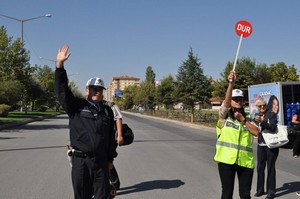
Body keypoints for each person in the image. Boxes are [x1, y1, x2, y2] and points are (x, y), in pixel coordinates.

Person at [55, 44, 117, 199]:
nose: (97, 91)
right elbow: (62, 91)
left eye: (100, 89)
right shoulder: (76, 106)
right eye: (93, 88)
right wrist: (60, 66)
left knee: (102, 196)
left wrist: (110, 159)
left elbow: (110, 137)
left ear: (103, 93)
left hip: (101, 163)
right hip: (81, 162)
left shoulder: (107, 111)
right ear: (87, 90)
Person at [214, 71, 259, 199]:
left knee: (245, 195)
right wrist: (231, 84)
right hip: (226, 161)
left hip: (245, 162)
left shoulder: (248, 117)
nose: (238, 101)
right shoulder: (224, 117)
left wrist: (243, 120)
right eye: (235, 99)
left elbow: (256, 132)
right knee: (227, 193)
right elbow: (226, 104)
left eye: (240, 99)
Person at [253, 95, 279, 199]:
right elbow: (255, 129)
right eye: (260, 106)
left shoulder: (271, 114)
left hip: (271, 146)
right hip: (261, 145)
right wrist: (254, 122)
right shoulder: (256, 115)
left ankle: (271, 192)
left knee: (271, 168)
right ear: (257, 107)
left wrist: (262, 122)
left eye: (264, 106)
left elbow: (273, 127)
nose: (263, 108)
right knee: (260, 168)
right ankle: (260, 190)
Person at [105, 101, 123, 190]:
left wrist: (119, 136)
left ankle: (115, 183)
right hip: (99, 138)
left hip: (111, 138)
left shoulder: (111, 106)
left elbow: (119, 119)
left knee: (107, 160)